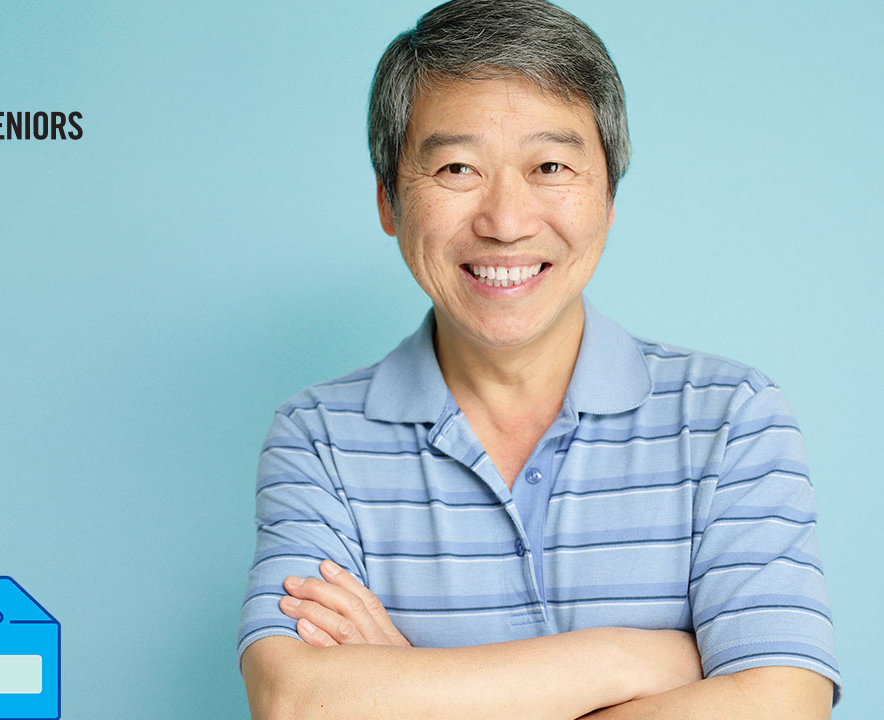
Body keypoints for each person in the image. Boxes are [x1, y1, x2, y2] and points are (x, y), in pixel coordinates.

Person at [237, 1, 841, 717]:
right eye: (457, 168)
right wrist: (636, 657)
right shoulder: (319, 437)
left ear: (608, 196)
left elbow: (785, 705)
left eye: (550, 166)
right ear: (389, 201)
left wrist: (414, 688)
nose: (506, 222)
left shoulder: (732, 418)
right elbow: (296, 699)